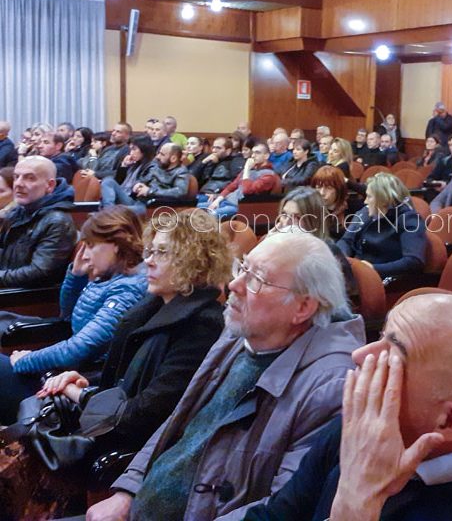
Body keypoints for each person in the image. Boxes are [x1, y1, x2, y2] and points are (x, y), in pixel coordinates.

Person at [86, 232, 365, 521]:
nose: (234, 284)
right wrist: (128, 491)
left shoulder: (333, 387)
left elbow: (285, 508)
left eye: (257, 278)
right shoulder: (236, 335)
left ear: (303, 307)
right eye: (242, 267)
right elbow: (178, 421)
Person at [0, 209, 232, 520]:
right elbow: (120, 386)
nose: (148, 259)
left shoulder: (200, 325)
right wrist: (85, 385)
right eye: (150, 250)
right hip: (98, 424)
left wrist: (79, 395)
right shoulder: (150, 307)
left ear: (195, 260)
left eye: (162, 252)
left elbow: (144, 415)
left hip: (119, 451)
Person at [243, 293, 452, 521]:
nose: (360, 355)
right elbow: (275, 516)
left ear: (448, 421)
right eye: (380, 337)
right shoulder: (365, 428)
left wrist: (353, 509)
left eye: (393, 355)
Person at [0, 205, 148, 424]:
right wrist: (76, 276)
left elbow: (79, 349)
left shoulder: (129, 289)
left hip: (82, 385)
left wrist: (24, 361)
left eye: (91, 245)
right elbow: (67, 317)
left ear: (116, 246)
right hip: (66, 373)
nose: (85, 254)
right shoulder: (107, 276)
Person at [0, 156, 77, 288]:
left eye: (30, 178)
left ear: (50, 185)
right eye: (16, 177)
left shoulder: (57, 222)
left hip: (25, 298)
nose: (18, 183)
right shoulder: (19, 211)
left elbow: (38, 273)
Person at [337, 173, 426, 279]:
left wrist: (374, 268)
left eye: (369, 197)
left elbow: (414, 261)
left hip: (383, 278)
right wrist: (343, 259)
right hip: (356, 271)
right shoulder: (365, 212)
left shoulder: (409, 219)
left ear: (383, 200)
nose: (365, 201)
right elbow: (346, 240)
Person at [204, 142, 277, 217]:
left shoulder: (268, 175)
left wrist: (247, 170)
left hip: (240, 207)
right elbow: (232, 186)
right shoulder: (250, 169)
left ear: (266, 156)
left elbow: (247, 190)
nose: (253, 156)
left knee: (209, 215)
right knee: (196, 209)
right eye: (252, 153)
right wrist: (217, 200)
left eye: (257, 153)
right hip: (226, 201)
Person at [100, 134, 157, 209]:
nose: (131, 153)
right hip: (125, 196)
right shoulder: (135, 163)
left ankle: (108, 211)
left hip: (135, 202)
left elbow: (140, 187)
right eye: (130, 149)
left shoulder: (151, 166)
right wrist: (124, 166)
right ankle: (108, 210)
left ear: (144, 150)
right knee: (108, 181)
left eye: (134, 149)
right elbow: (119, 182)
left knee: (108, 181)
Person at [312, 166, 349, 240]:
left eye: (329, 188)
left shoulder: (352, 209)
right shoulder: (310, 208)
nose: (322, 193)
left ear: (339, 190)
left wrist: (347, 181)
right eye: (318, 187)